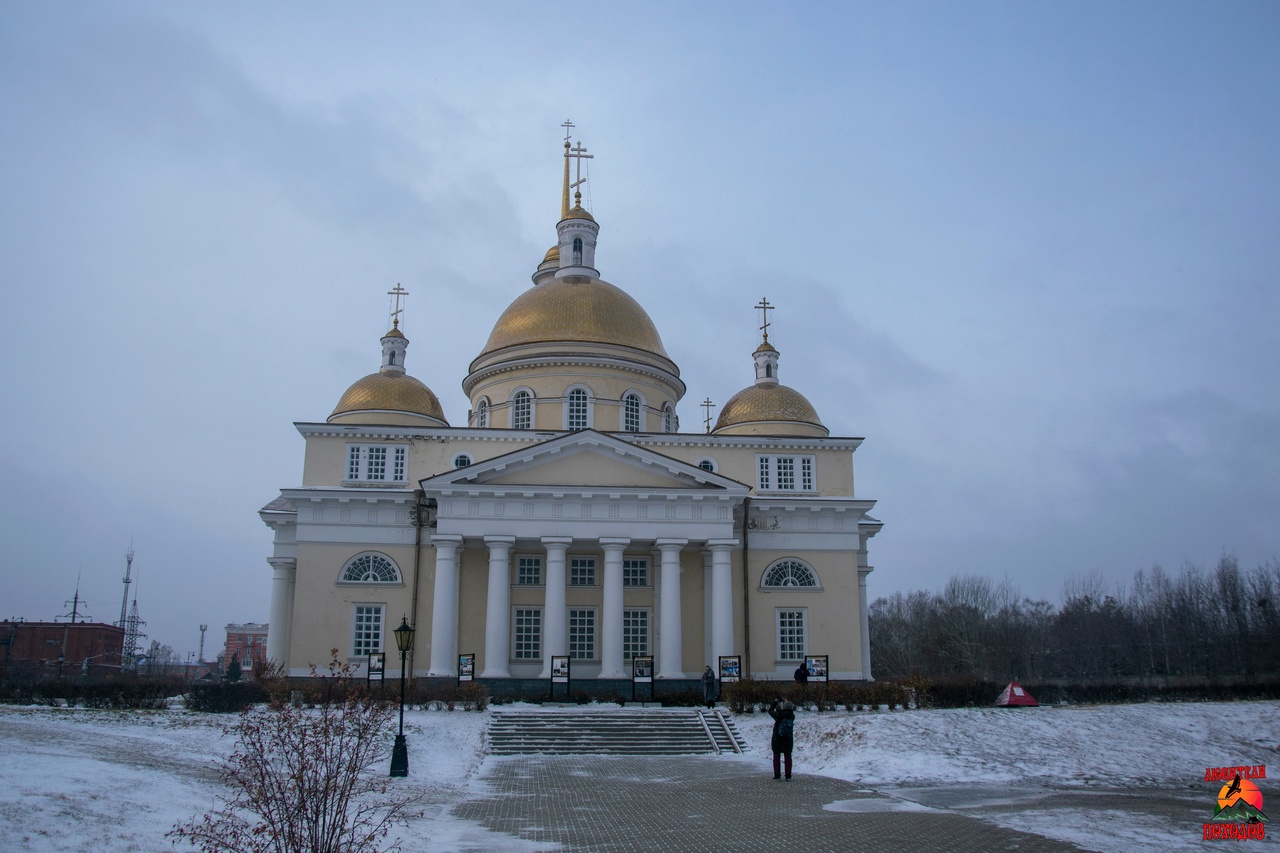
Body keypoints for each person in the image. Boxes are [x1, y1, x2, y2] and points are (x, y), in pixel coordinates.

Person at [769, 696, 796, 780]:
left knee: (776, 756)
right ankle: (788, 775)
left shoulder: (779, 715)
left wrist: (775, 702)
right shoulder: (792, 716)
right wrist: (787, 702)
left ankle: (777, 775)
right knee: (788, 756)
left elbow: (770, 711)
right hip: (788, 738)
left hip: (778, 738)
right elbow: (793, 707)